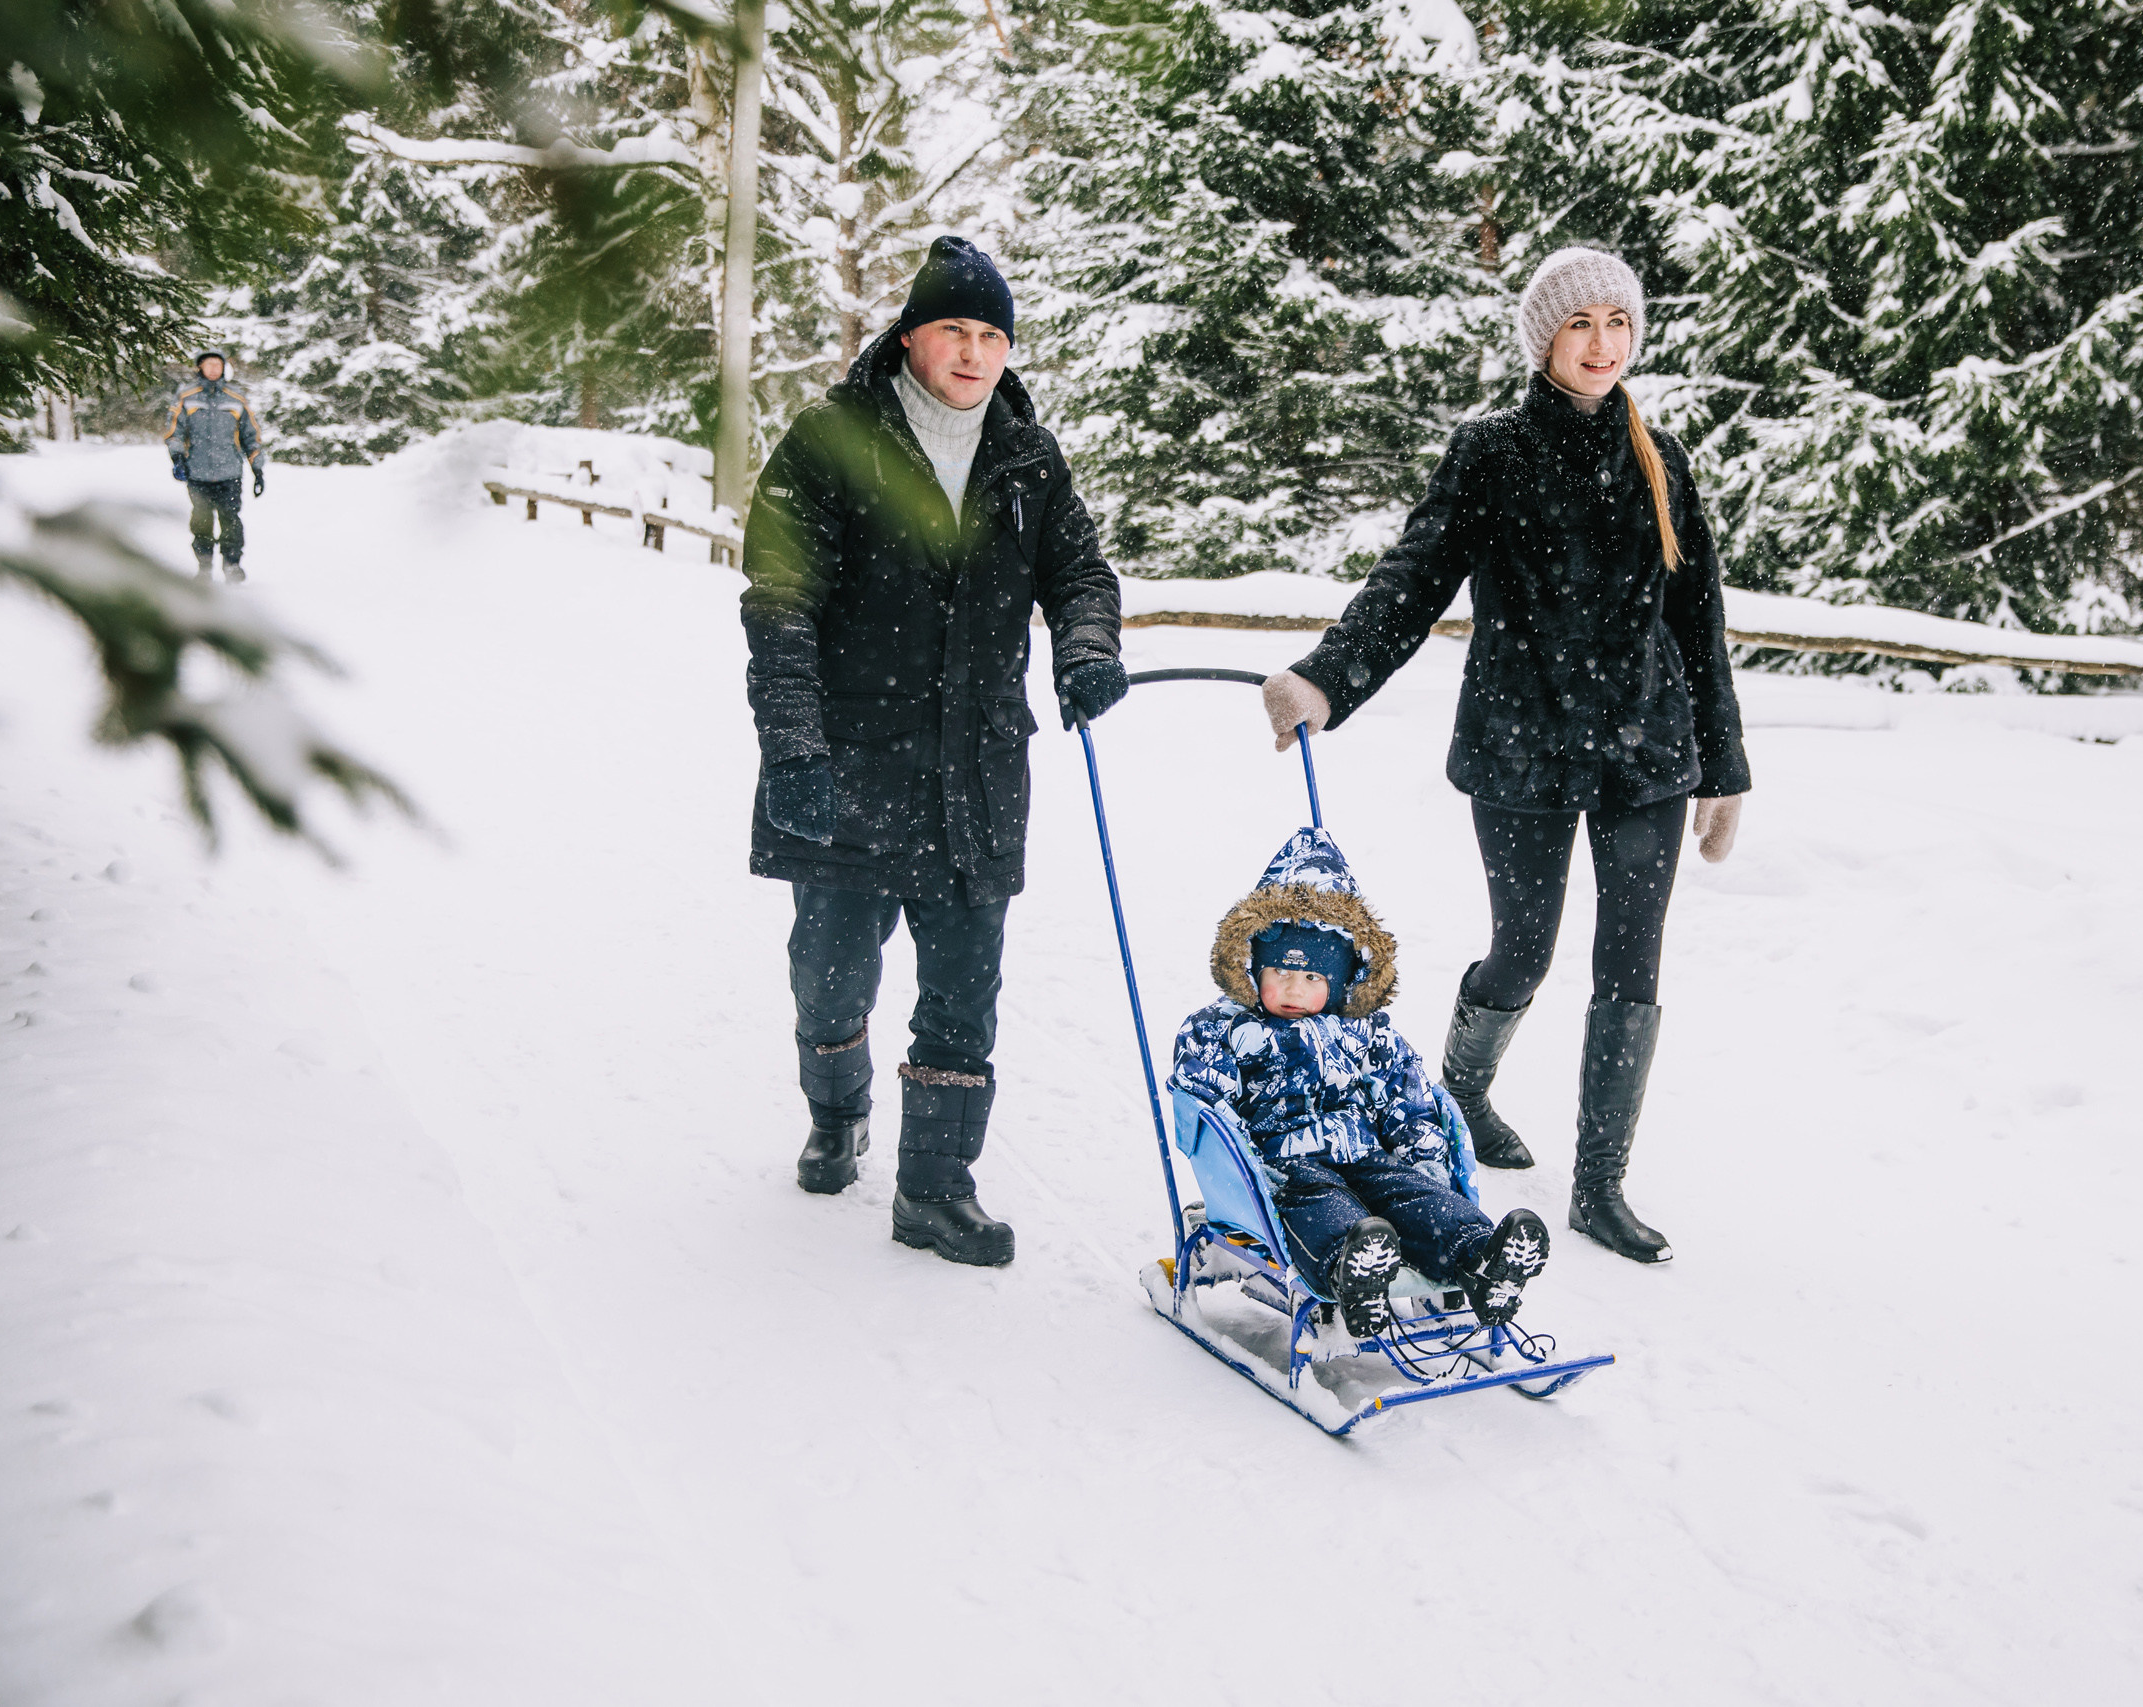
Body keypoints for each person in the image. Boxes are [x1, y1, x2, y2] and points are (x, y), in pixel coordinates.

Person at [1257, 247, 1751, 1266]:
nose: (1602, 344)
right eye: (1581, 324)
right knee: (1523, 947)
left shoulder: (1662, 460)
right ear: (1544, 338)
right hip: (1523, 746)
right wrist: (1328, 678)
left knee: (1632, 958)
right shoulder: (1489, 452)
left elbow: (1697, 622)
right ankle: (1465, 1090)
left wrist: (1723, 768)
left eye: (1618, 322)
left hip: (1646, 752)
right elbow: (1413, 578)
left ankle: (1599, 1186)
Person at [740, 235, 1127, 1268]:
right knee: (829, 977)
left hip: (977, 774)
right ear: (910, 334)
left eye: (992, 335)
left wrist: (1087, 647)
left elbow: (1081, 574)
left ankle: (935, 1190)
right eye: (954, 328)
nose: (972, 352)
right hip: (850, 764)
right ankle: (836, 1111)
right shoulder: (832, 439)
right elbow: (780, 601)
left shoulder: (1028, 457)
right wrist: (794, 748)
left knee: (963, 989)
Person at [1166, 828, 1551, 1337]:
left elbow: (1406, 1096)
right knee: (1322, 1205)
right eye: (1280, 972)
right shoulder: (1222, 1027)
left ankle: (1481, 1258)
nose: (1293, 989)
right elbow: (1204, 1100)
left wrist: (1426, 1161)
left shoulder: (1365, 1031)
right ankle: (1354, 1271)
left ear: (1340, 981)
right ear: (1252, 968)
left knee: (1411, 1193)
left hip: (1364, 1157)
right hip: (1283, 1167)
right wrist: (1248, 1168)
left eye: (1312, 978)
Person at [163, 349, 267, 582]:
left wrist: (257, 469)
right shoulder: (186, 396)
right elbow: (174, 431)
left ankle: (232, 565)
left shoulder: (236, 398)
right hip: (197, 473)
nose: (213, 369)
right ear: (200, 367)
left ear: (223, 368)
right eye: (208, 364)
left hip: (229, 473)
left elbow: (251, 436)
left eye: (217, 364)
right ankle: (204, 566)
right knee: (201, 522)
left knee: (231, 520)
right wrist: (177, 457)